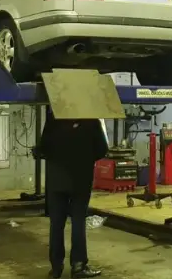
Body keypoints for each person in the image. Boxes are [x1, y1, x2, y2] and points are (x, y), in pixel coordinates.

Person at [37, 110, 108, 278]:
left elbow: (43, 148)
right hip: (80, 179)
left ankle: (56, 268)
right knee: (78, 221)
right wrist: (84, 157)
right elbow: (102, 150)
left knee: (56, 224)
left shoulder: (54, 117)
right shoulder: (91, 120)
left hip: (56, 180)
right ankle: (78, 266)